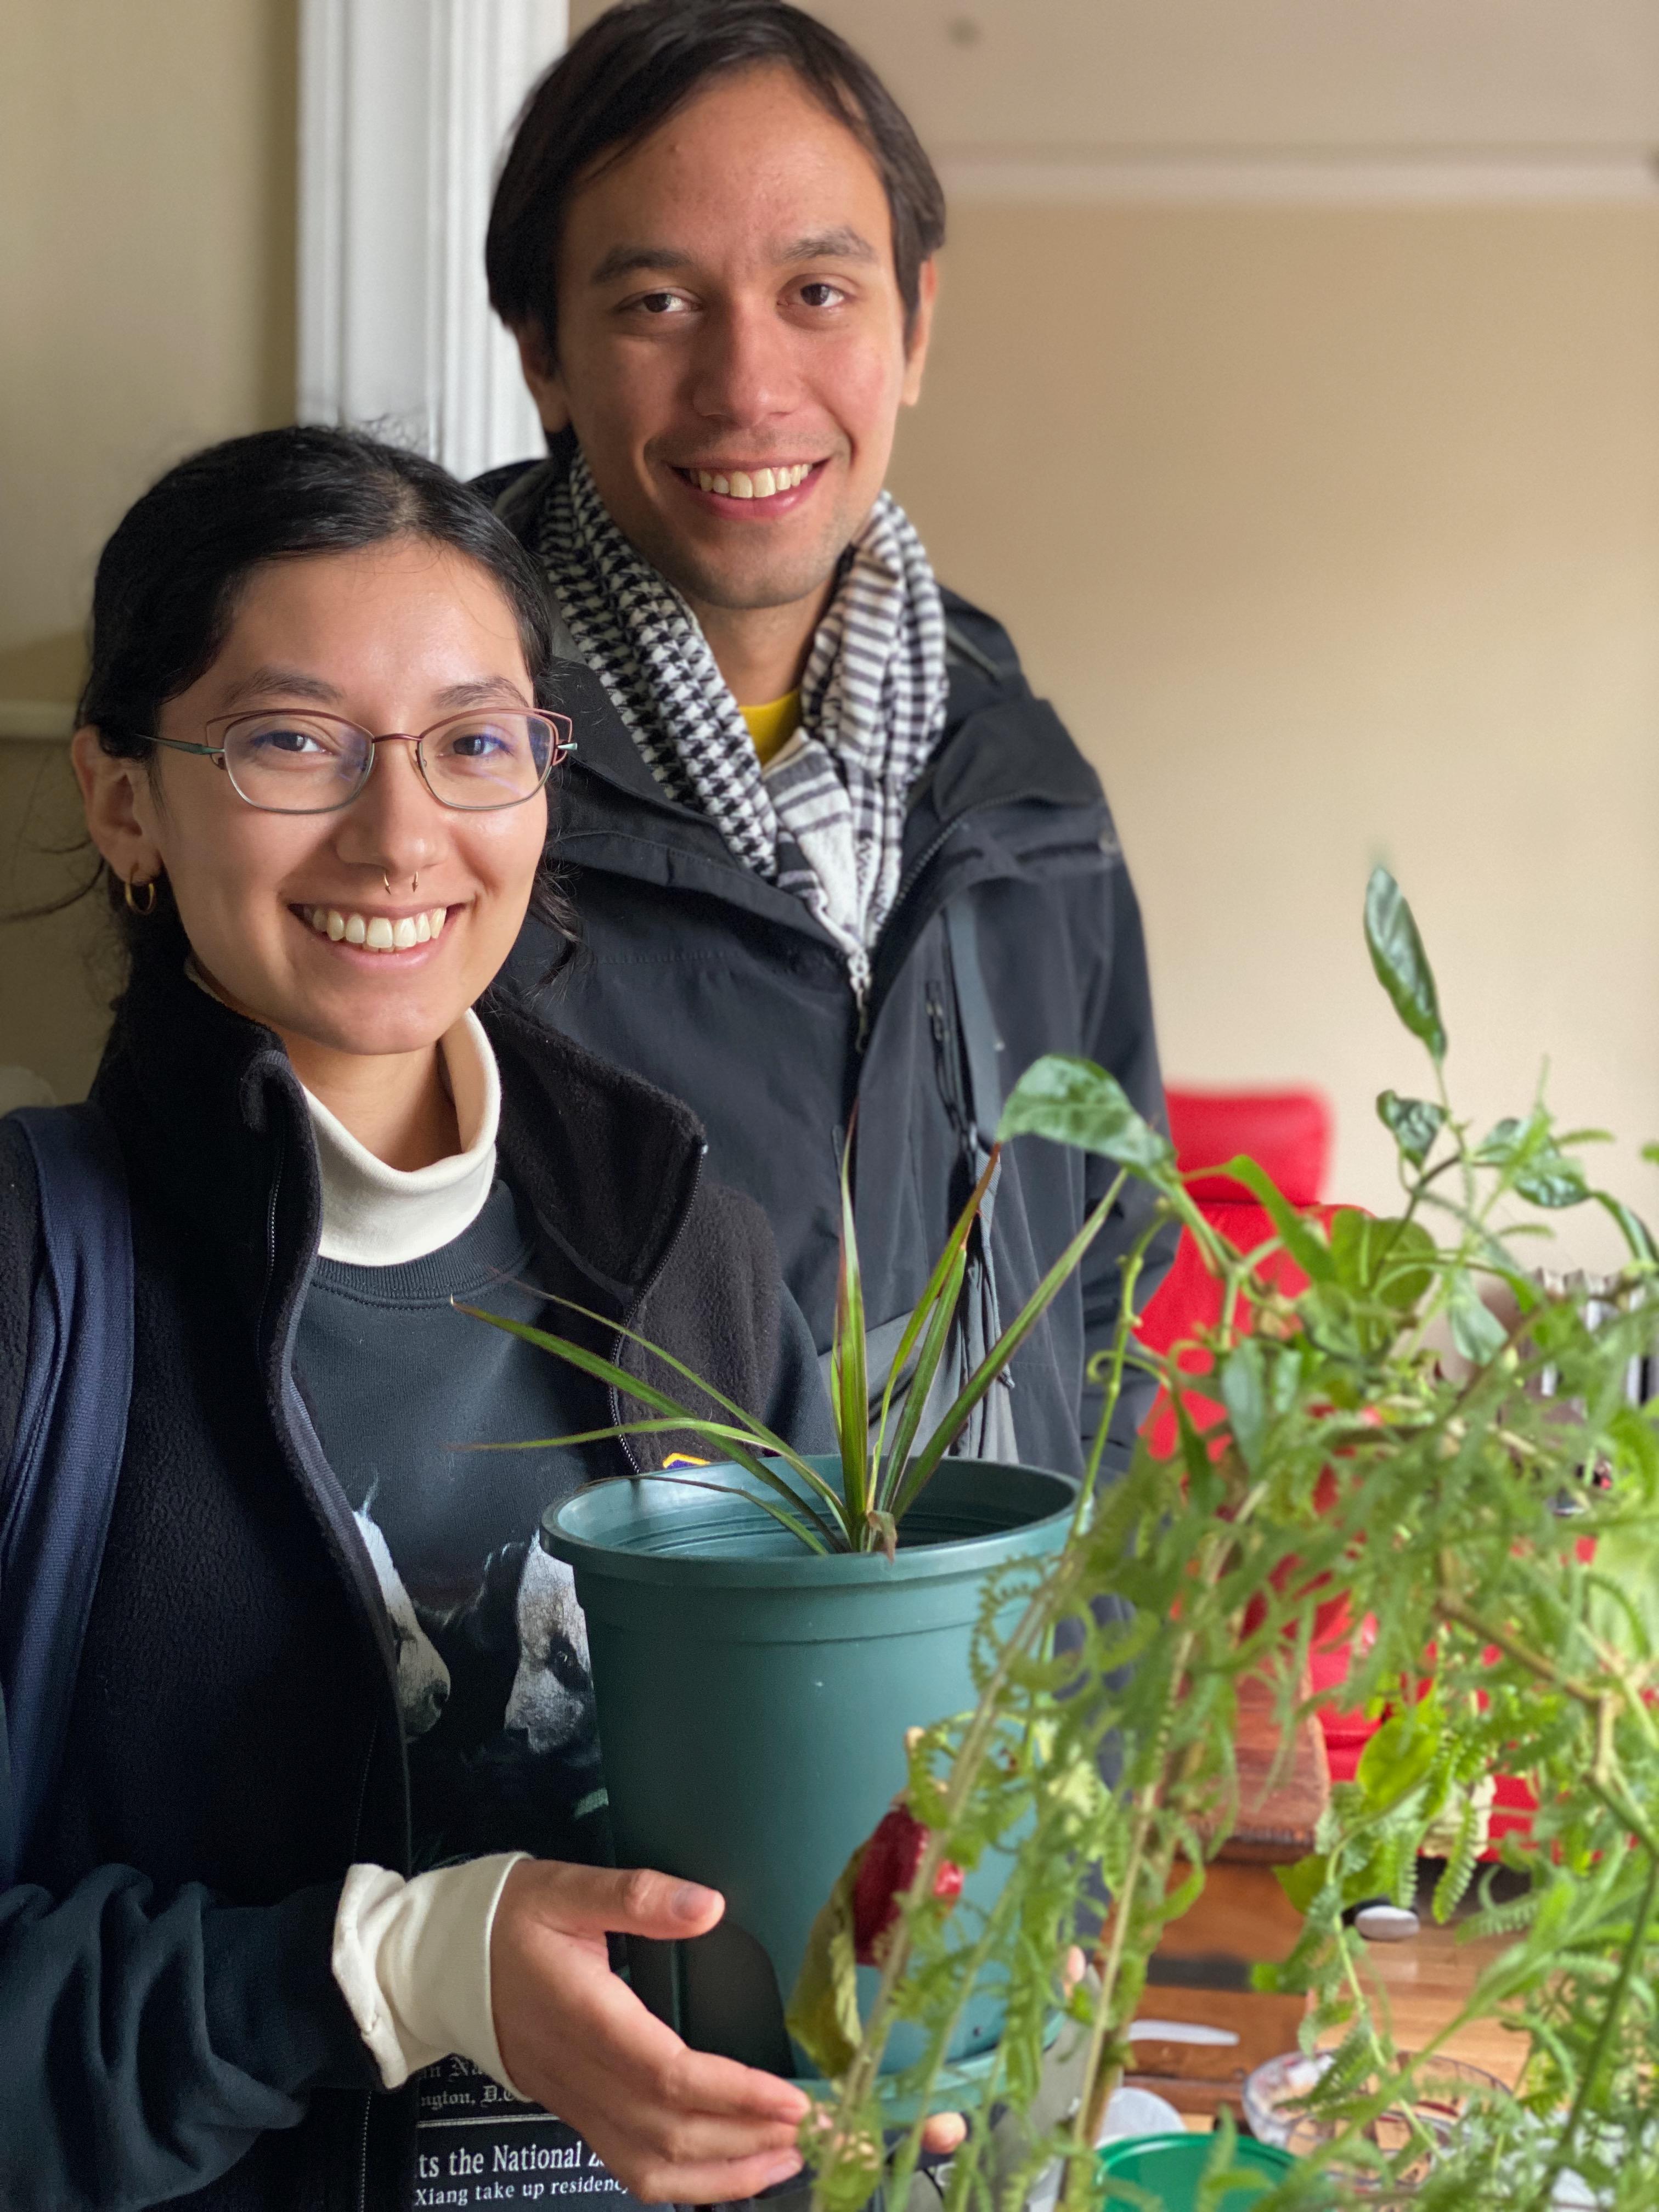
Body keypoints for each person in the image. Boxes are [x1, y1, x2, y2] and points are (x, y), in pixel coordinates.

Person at [0, 424, 845, 2210]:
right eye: (292, 741)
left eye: (473, 744)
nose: (402, 835)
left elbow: (830, 1800)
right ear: (125, 799)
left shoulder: (692, 1254)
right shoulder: (32, 1280)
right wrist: (389, 1966)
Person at [479, 0, 1175, 1478]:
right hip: (621, 1694)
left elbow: (1114, 1275)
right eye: (658, 303)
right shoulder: (433, 770)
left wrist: (1086, 1664)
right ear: (543, 353)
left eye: (817, 292)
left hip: (1005, 1695)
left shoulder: (1024, 778)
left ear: (913, 326)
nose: (747, 388)